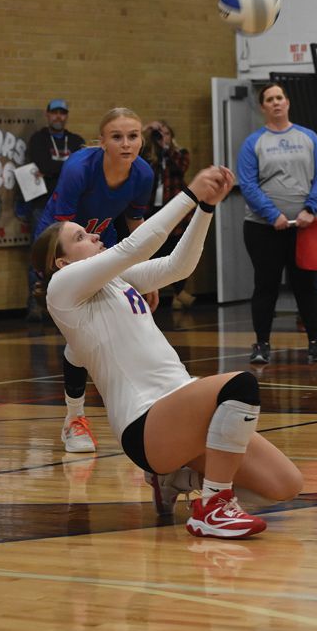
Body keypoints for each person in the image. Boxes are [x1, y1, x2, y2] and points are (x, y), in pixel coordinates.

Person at [31, 165, 303, 539]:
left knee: (286, 484)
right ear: (60, 262)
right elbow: (134, 247)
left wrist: (206, 208)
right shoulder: (61, 287)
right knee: (239, 386)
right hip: (144, 422)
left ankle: (177, 479)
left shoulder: (116, 281)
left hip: (179, 410)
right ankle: (213, 506)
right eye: (80, 236)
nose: (93, 235)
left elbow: (179, 266)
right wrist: (190, 195)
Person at [34, 107, 155, 453]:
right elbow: (65, 233)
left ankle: (141, 413)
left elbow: (136, 226)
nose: (126, 143)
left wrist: (148, 275)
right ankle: (75, 419)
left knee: (120, 326)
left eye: (133, 136)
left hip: (102, 240)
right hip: (64, 244)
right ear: (101, 141)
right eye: (117, 137)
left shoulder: (143, 174)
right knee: (82, 336)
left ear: (141, 140)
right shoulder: (78, 169)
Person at [237, 83, 317, 365]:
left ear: (287, 102)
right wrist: (272, 215)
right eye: (270, 99)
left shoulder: (309, 137)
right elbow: (248, 184)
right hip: (262, 228)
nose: (276, 102)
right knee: (265, 286)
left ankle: (316, 343)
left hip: (304, 226)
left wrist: (311, 209)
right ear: (263, 107)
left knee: (306, 286)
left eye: (280, 97)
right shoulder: (253, 142)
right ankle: (261, 345)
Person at [25, 99, 85, 321]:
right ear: (48, 114)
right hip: (43, 205)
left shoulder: (76, 140)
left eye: (62, 112)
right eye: (55, 112)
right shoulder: (39, 139)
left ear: (66, 115)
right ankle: (36, 304)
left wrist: (52, 170)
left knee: (73, 253)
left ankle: (70, 304)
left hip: (71, 205)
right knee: (40, 253)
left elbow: (81, 169)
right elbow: (43, 164)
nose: (58, 116)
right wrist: (66, 167)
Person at [141, 119, 195, 310]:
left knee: (177, 250)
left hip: (175, 210)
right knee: (154, 250)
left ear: (172, 136)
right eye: (159, 134)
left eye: (166, 133)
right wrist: (145, 131)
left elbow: (180, 168)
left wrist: (166, 148)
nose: (162, 137)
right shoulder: (149, 154)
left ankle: (178, 292)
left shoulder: (179, 153)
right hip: (151, 210)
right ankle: (152, 290)